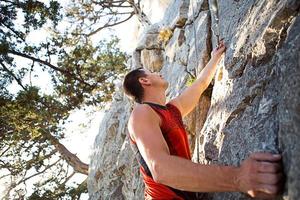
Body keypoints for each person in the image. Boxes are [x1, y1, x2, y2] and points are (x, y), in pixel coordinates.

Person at [123, 40, 283, 199]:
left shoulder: (172, 109)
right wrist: (238, 177)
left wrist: (215, 58)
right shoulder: (141, 113)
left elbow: (199, 85)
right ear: (144, 81)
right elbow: (160, 168)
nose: (158, 73)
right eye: (151, 72)